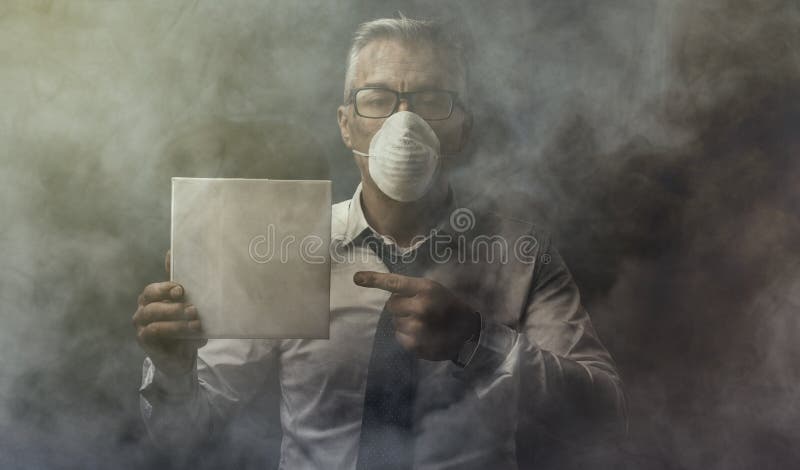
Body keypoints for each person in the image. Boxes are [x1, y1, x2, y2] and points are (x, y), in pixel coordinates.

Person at [133, 15, 626, 469]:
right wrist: (174, 368)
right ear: (347, 124)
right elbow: (181, 438)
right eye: (376, 99)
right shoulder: (284, 250)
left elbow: (603, 413)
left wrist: (476, 341)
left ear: (461, 129)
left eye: (433, 99)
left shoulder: (520, 255)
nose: (403, 123)